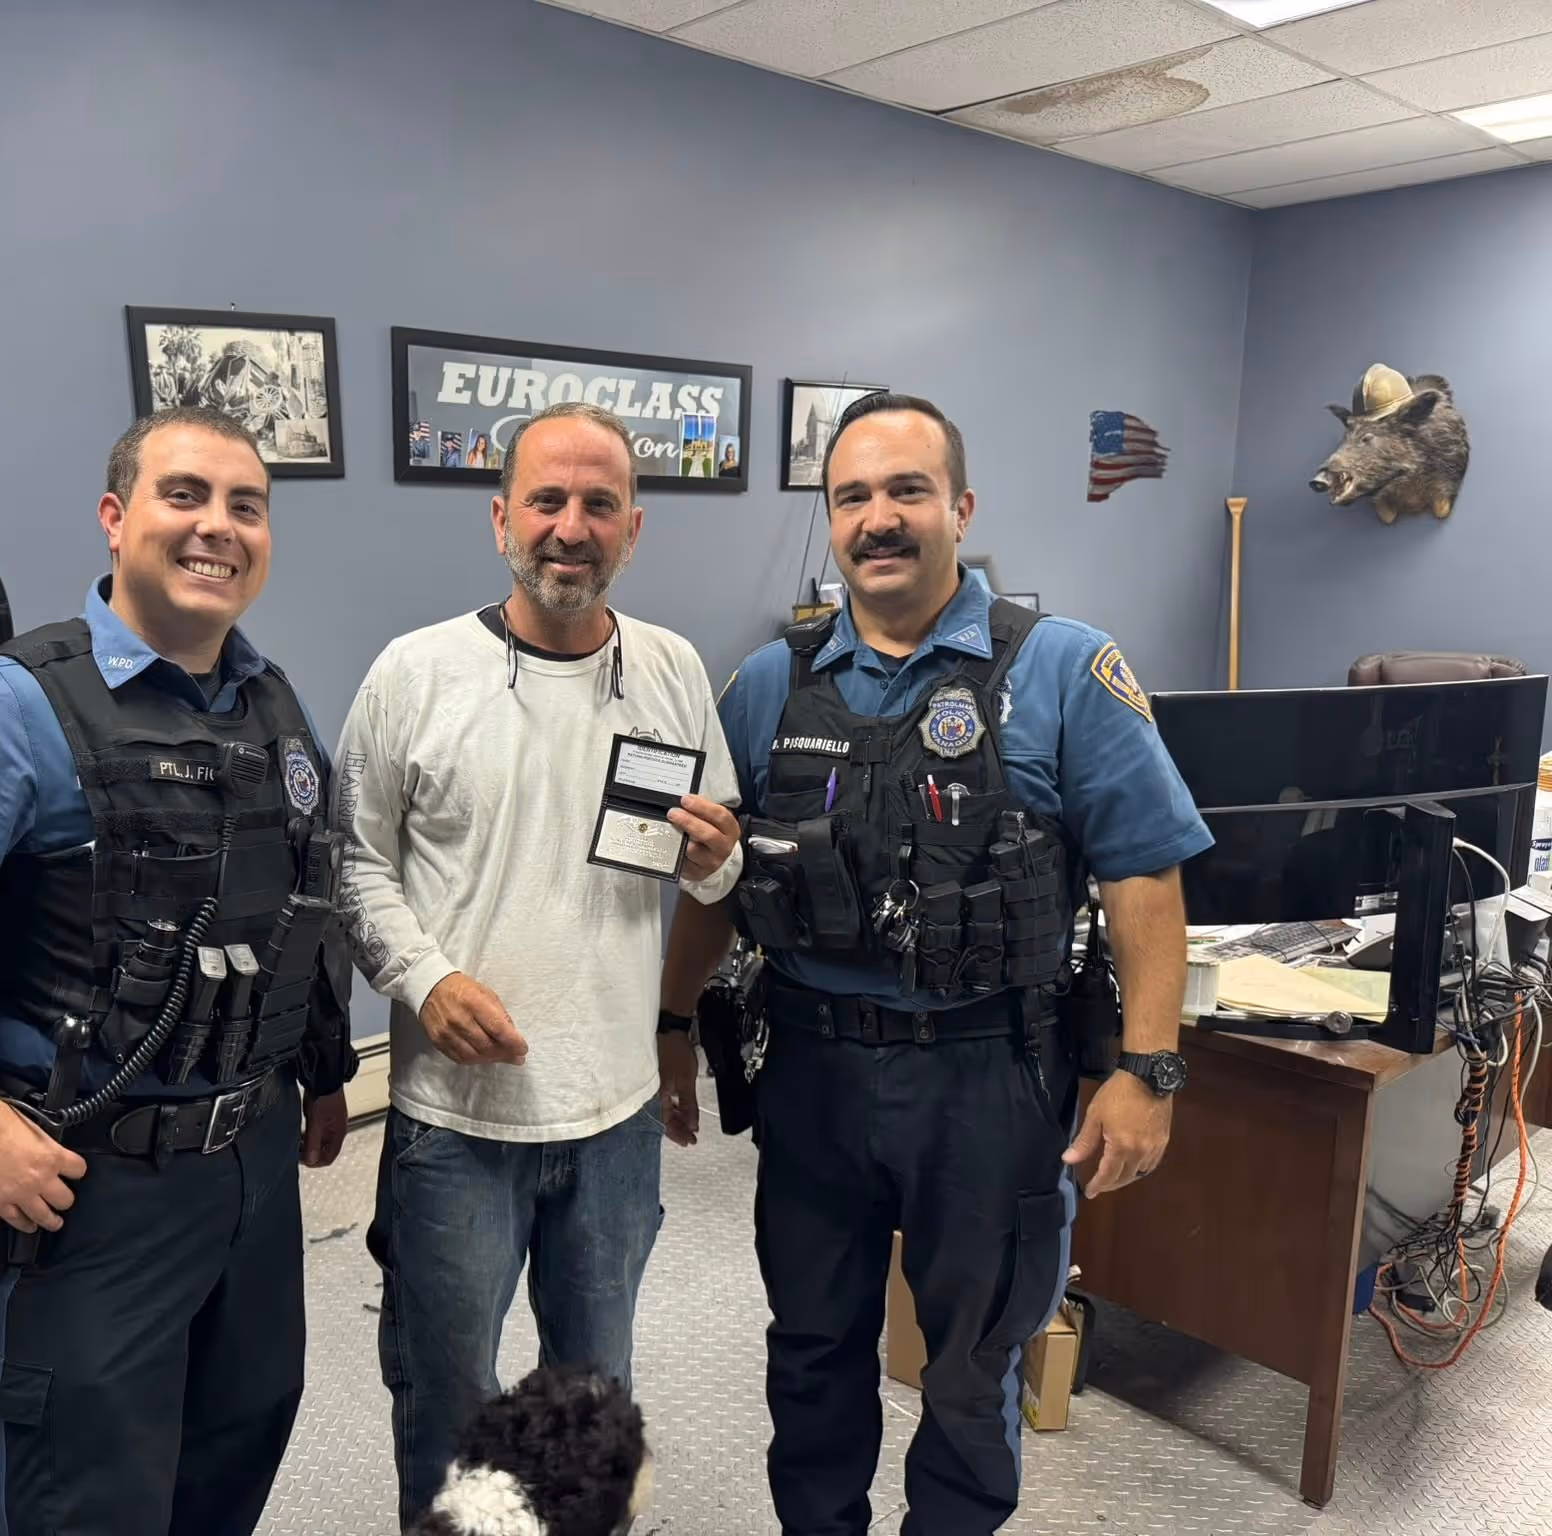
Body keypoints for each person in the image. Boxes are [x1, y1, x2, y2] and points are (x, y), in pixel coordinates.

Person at [0, 405, 356, 1536]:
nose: (217, 527)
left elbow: (292, 899)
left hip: (252, 1169)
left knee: (236, 1446)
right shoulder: (8, 708)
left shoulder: (271, 699)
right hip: (91, 1182)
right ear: (114, 517)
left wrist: (323, 1066)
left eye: (245, 506)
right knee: (89, 1493)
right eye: (183, 495)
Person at [658, 391, 1211, 1536]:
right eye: (851, 496)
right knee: (810, 1352)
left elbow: (1143, 877)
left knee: (968, 1369)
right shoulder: (765, 685)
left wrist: (1147, 1071)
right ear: (829, 520)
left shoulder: (1062, 669)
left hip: (987, 1078)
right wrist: (671, 1024)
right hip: (810, 1072)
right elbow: (711, 872)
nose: (879, 518)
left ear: (959, 508)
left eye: (906, 490)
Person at [333, 400, 743, 1528]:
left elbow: (714, 873)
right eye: (547, 501)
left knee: (594, 1409)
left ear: (632, 529)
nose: (571, 527)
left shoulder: (671, 669)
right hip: (454, 1128)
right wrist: (424, 979)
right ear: (500, 517)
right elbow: (353, 866)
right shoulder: (413, 673)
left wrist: (718, 865)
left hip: (613, 1124)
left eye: (598, 504)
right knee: (446, 1409)